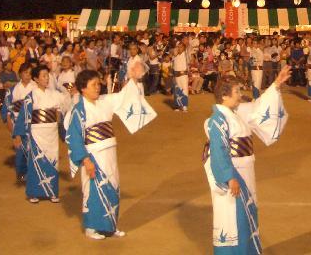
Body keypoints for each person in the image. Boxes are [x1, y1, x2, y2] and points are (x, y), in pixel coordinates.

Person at [203, 65, 291, 254]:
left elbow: (259, 107)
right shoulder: (217, 120)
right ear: (225, 96)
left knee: (246, 216)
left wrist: (276, 84)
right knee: (234, 219)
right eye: (237, 91)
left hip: (245, 173)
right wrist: (229, 176)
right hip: (235, 175)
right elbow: (218, 151)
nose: (240, 94)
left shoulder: (237, 112)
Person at [64, 60, 157, 240]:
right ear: (83, 88)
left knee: (112, 187)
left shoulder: (105, 101)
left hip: (110, 154)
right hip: (93, 155)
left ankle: (110, 226)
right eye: (93, 85)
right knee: (94, 190)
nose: (97, 88)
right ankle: (92, 227)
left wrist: (133, 78)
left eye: (98, 84)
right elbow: (74, 138)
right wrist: (85, 160)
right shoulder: (79, 110)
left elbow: (124, 96)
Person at [13, 65, 72, 204]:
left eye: (47, 75)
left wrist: (73, 94)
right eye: (43, 76)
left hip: (51, 133)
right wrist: (19, 135)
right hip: (37, 133)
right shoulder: (31, 96)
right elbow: (23, 116)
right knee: (36, 163)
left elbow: (66, 103)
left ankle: (52, 191)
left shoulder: (54, 94)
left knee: (52, 161)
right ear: (36, 79)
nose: (46, 78)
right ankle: (34, 192)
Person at [0, 62, 36, 182]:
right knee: (20, 149)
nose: (28, 75)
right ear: (20, 73)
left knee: (34, 149)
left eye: (30, 73)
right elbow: (7, 109)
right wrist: (10, 126)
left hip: (34, 121)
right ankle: (22, 173)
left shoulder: (36, 87)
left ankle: (34, 173)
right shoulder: (13, 90)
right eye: (25, 73)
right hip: (18, 122)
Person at [171, 42, 189, 112]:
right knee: (177, 90)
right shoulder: (175, 55)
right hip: (176, 75)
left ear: (184, 48)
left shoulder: (186, 54)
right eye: (178, 47)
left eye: (181, 47)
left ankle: (184, 106)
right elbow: (172, 53)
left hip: (183, 75)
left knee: (184, 90)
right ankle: (177, 105)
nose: (179, 48)